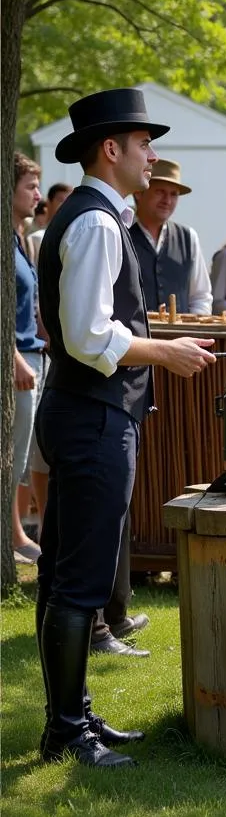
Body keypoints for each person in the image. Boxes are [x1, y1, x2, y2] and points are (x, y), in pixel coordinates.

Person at [35, 87, 216, 767]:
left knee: (64, 576)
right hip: (91, 414)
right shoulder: (97, 222)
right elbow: (86, 335)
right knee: (78, 581)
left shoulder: (95, 216)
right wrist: (163, 351)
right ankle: (66, 731)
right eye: (145, 144)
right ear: (110, 150)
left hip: (85, 411)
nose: (153, 156)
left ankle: (71, 718)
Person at [12, 153, 46, 565]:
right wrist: (13, 358)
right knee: (14, 455)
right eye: (30, 187)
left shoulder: (22, 238)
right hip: (18, 361)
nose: (37, 194)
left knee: (25, 455)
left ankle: (16, 530)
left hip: (33, 355)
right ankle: (14, 535)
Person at [129, 158, 212, 315]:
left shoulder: (188, 237)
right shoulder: (121, 233)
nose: (167, 201)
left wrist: (193, 330)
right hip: (134, 337)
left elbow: (201, 296)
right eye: (160, 192)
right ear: (139, 193)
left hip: (179, 337)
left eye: (174, 194)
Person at [26, 182, 72, 264]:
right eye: (61, 200)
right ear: (49, 202)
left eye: (69, 200)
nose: (66, 205)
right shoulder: (35, 237)